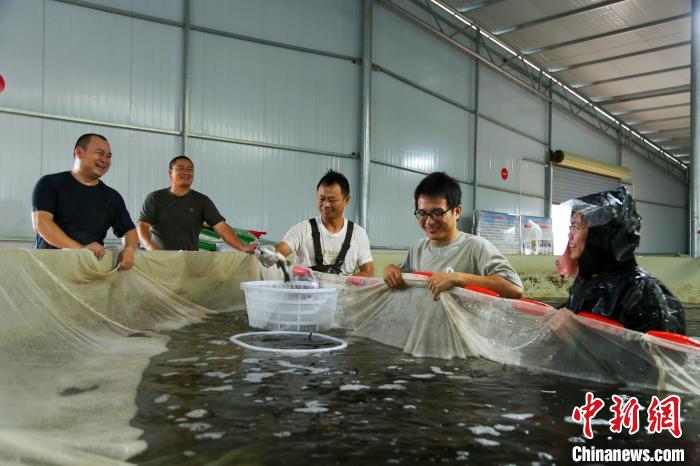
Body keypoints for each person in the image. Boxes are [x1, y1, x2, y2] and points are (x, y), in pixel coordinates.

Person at [547, 186, 685, 335]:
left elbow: (657, 355)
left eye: (576, 226)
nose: (570, 234)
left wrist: (577, 335)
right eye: (571, 226)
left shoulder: (643, 292)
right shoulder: (587, 282)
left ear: (600, 234)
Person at [383, 172, 523, 299]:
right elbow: (400, 276)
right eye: (422, 213)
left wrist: (457, 278)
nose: (429, 221)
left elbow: (514, 288)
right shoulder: (418, 248)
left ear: (457, 211)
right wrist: (391, 269)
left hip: (460, 328)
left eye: (438, 213)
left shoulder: (475, 247)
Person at [31, 133, 137, 270]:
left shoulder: (112, 197)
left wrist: (129, 250)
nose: (104, 160)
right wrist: (80, 249)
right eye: (100, 153)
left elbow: (130, 231)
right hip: (49, 269)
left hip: (89, 270)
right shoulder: (50, 184)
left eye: (108, 156)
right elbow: (42, 224)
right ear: (79, 152)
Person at [137, 156, 255, 253]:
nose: (186, 172)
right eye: (180, 169)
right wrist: (150, 247)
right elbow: (142, 226)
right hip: (160, 260)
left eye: (190, 169)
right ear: (170, 173)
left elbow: (222, 227)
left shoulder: (202, 201)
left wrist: (243, 247)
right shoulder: (155, 198)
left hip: (190, 262)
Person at [275, 169, 374, 277]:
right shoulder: (302, 230)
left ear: (346, 199)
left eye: (332, 200)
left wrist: (344, 283)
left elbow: (368, 272)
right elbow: (280, 250)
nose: (326, 204)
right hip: (307, 293)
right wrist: (262, 252)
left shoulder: (358, 234)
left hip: (344, 293)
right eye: (322, 198)